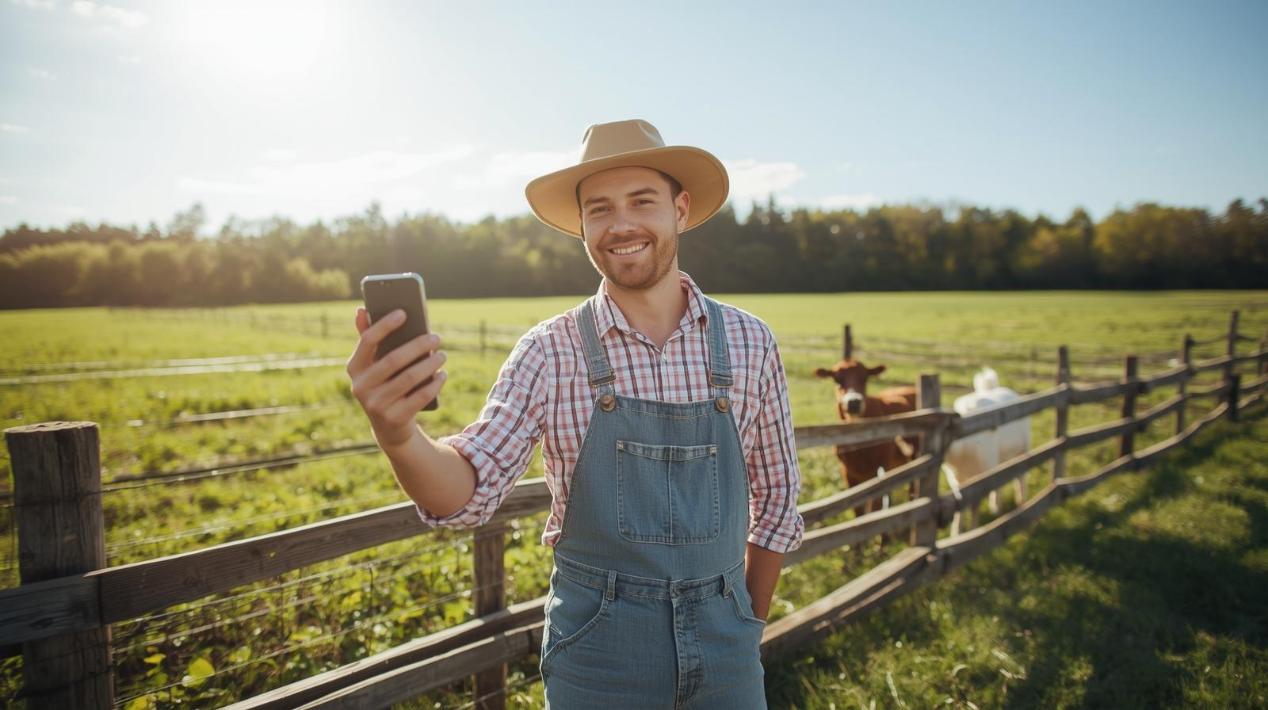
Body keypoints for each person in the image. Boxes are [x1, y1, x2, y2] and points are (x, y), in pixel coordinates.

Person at [346, 118, 803, 707]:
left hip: (727, 650)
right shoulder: (550, 350)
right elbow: (465, 493)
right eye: (599, 209)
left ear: (681, 210)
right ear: (582, 227)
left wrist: (746, 625)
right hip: (598, 656)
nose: (621, 225)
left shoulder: (749, 341)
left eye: (642, 201)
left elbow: (778, 500)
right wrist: (398, 433)